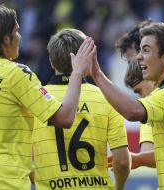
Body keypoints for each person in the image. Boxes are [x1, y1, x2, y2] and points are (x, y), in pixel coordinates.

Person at [0, 5, 94, 189]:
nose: (20, 38)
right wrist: (77, 72)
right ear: (5, 40)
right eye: (17, 32)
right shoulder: (16, 75)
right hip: (6, 184)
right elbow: (65, 118)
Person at [84, 21, 164, 189]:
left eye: (146, 50)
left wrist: (97, 74)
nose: (139, 57)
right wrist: (139, 159)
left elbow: (132, 111)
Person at [32, 28, 130, 190]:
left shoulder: (35, 99)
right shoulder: (106, 98)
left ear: (51, 61)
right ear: (86, 58)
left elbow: (26, 162)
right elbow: (122, 161)